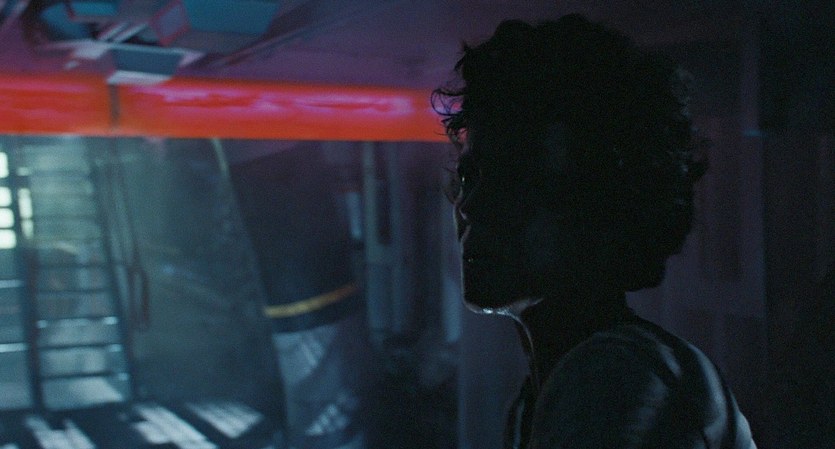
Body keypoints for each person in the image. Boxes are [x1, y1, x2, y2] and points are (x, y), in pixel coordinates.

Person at [433, 14, 757, 449]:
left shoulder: (611, 382)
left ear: (600, 197)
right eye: (469, 178)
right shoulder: (550, 394)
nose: (469, 206)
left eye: (514, 177)